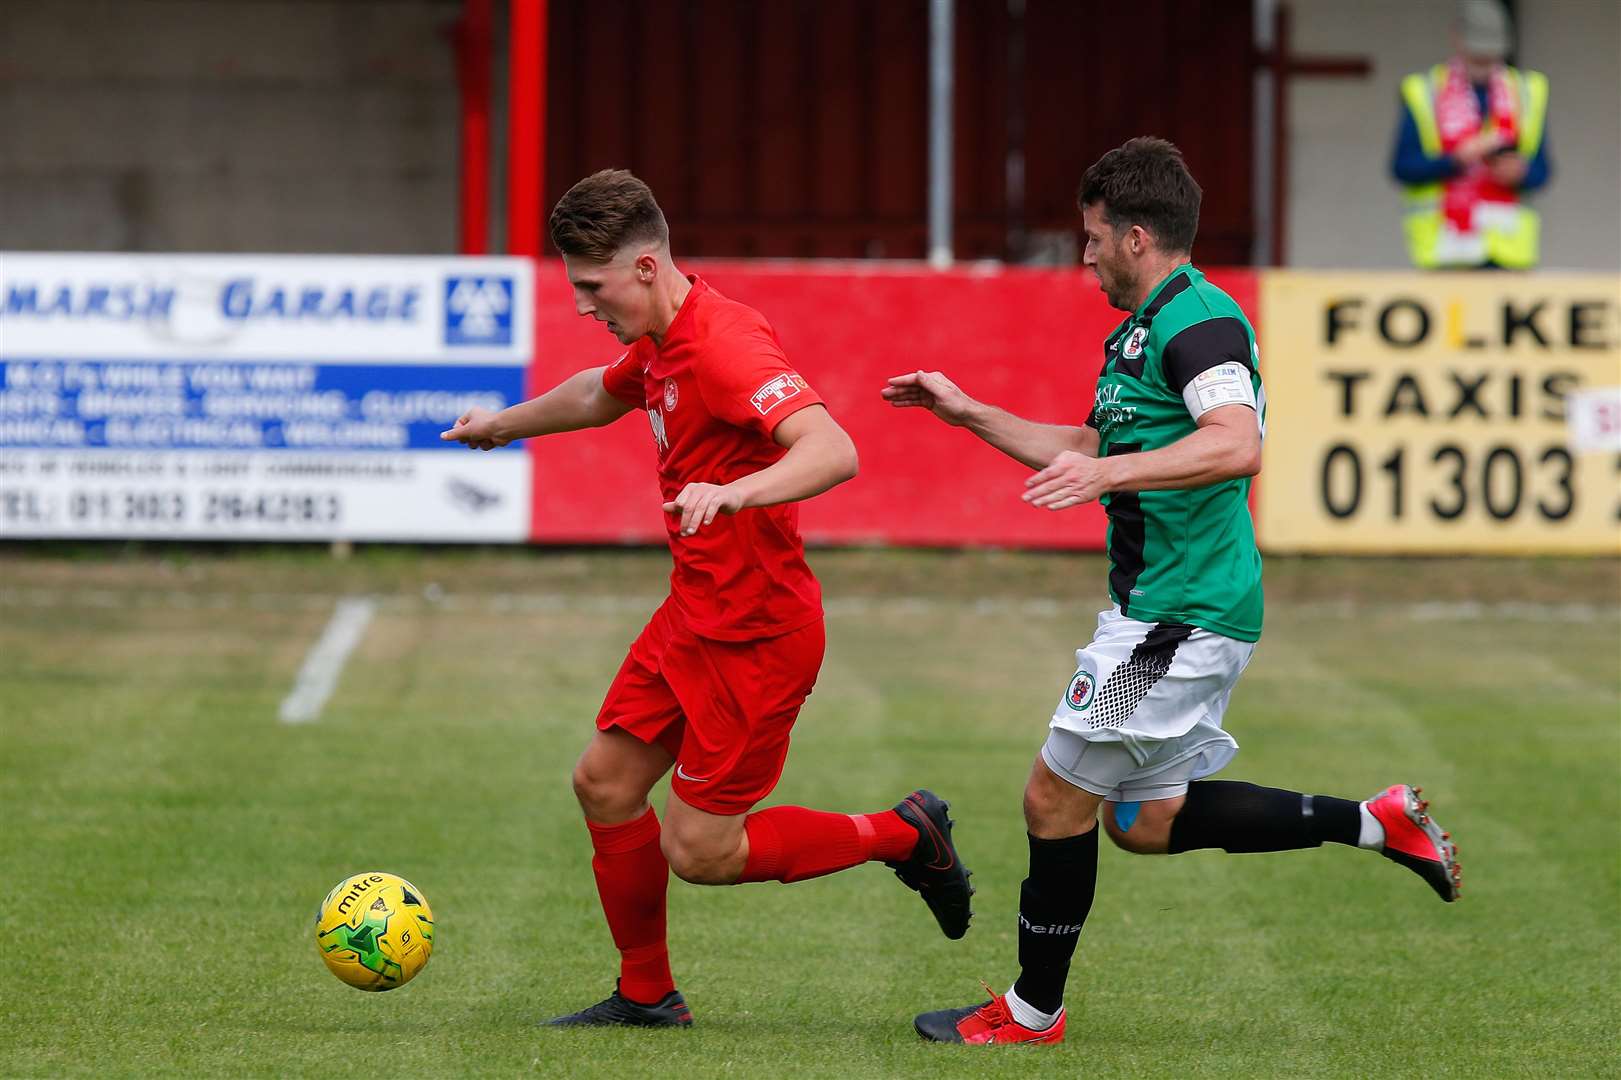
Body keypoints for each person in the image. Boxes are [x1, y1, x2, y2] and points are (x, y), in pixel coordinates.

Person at [884, 138, 1462, 1046]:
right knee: (1146, 821)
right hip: (1168, 610)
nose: (1084, 255)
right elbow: (1090, 448)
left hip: (1177, 618)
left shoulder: (1200, 322)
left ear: (1137, 236)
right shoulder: (1144, 329)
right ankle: (1377, 823)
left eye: (1092, 237)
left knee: (1052, 796)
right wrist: (969, 413)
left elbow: (1235, 442)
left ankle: (1032, 1013)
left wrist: (1114, 478)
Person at [443, 169, 973, 1027]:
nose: (584, 303)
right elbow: (595, 392)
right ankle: (647, 995)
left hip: (757, 636)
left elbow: (832, 449)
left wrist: (739, 491)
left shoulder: (724, 345)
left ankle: (905, 833)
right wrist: (502, 424)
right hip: (693, 614)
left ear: (646, 266)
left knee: (703, 851)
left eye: (592, 285)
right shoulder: (659, 339)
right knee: (605, 785)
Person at [1390, 0, 1551, 269]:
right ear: (1457, 40)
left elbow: (1542, 170)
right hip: (1445, 251)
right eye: (1477, 54)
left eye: (1491, 55)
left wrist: (1520, 172)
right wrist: (1454, 160)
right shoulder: (1426, 91)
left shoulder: (1524, 91)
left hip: (1507, 252)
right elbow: (1402, 167)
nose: (1484, 63)